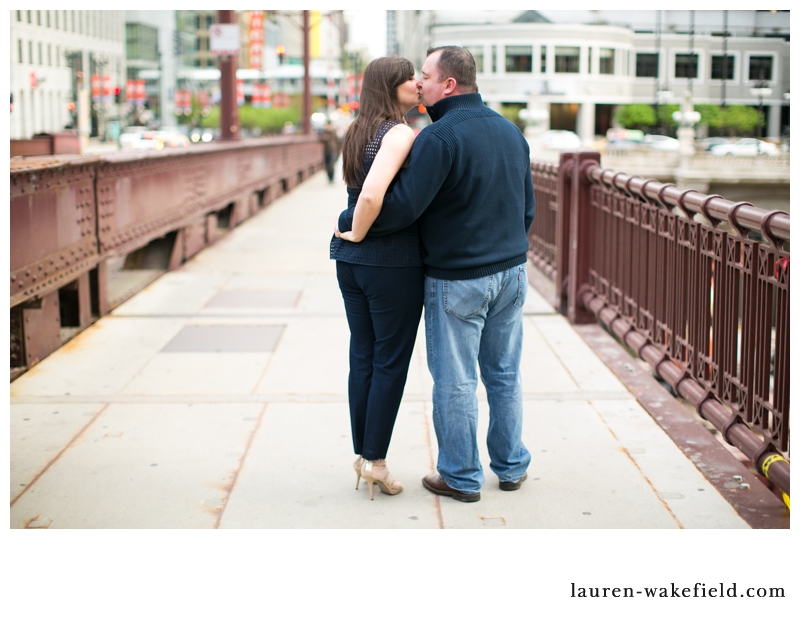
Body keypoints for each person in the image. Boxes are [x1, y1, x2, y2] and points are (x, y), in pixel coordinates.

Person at [336, 46, 535, 503]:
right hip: (512, 272)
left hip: (458, 277)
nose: (419, 82)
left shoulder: (438, 137)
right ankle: (510, 466)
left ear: (448, 84)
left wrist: (351, 224)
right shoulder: (511, 132)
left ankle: (462, 477)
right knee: (504, 373)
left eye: (425, 75)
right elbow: (527, 207)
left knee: (456, 379)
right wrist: (509, 249)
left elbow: (403, 208)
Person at [330, 56, 423, 500]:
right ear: (391, 87)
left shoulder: (356, 130)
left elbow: (354, 188)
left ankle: (364, 453)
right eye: (409, 79)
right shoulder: (399, 132)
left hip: (350, 263)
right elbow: (371, 195)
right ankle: (376, 462)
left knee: (362, 355)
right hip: (390, 260)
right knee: (390, 360)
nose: (417, 84)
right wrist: (359, 230)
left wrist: (349, 236)